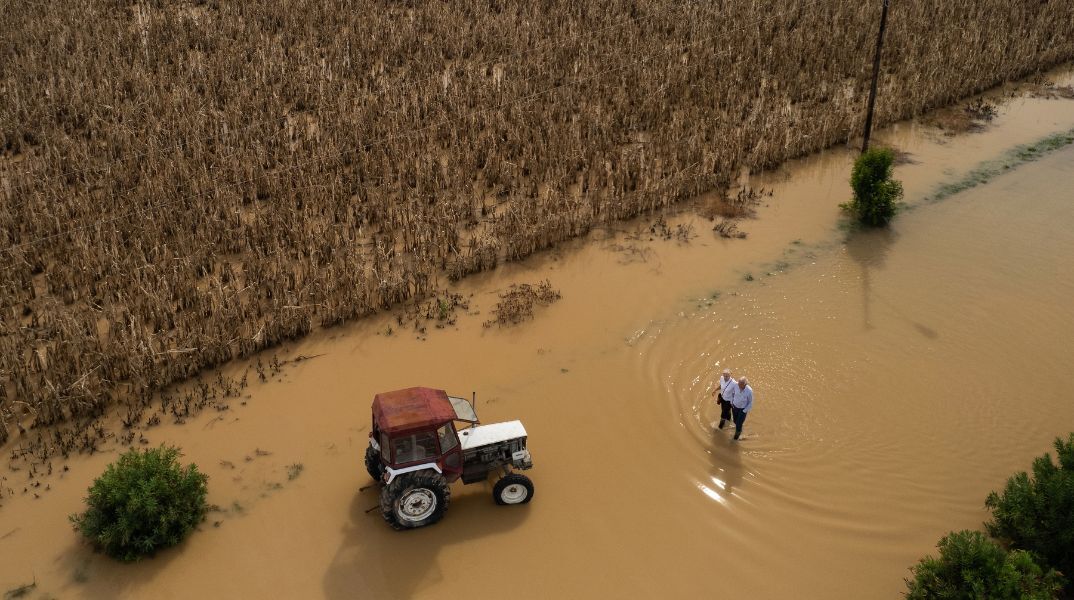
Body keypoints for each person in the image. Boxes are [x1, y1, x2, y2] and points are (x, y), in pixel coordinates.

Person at [729, 376, 753, 441]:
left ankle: (735, 439)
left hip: (742, 409)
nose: (738, 385)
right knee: (735, 421)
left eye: (740, 384)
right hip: (734, 406)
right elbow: (732, 393)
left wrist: (744, 411)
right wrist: (731, 402)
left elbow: (750, 403)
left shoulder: (749, 391)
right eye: (738, 383)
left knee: (739, 424)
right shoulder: (736, 385)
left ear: (745, 384)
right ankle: (739, 429)